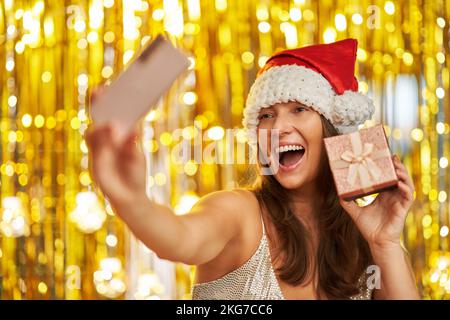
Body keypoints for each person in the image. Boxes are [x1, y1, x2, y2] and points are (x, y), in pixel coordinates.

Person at [86, 38, 420, 299]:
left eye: (299, 109)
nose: (279, 127)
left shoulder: (366, 236)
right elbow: (178, 238)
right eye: (266, 115)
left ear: (334, 129)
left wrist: (385, 243)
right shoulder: (240, 213)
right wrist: (131, 199)